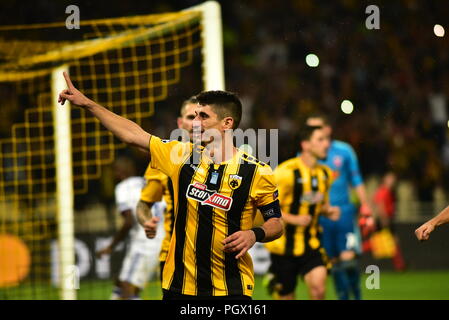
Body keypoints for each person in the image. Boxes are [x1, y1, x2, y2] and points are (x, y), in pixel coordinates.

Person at [58, 72, 283, 300]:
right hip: (178, 285)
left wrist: (255, 234)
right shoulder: (180, 156)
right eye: (194, 116)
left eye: (203, 116)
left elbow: (276, 222)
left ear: (227, 123)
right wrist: (87, 104)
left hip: (232, 287)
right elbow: (132, 135)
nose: (195, 123)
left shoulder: (257, 171)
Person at [264, 124, 340, 300]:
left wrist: (328, 211)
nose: (326, 144)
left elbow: (316, 204)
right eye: (320, 140)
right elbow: (267, 209)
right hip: (283, 247)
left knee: (319, 288)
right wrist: (293, 219)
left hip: (311, 243)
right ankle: (274, 279)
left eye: (327, 139)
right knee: (287, 297)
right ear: (305, 145)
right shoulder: (285, 172)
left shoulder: (325, 174)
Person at [306, 114, 374, 300]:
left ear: (327, 129)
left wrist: (365, 206)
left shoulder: (344, 151)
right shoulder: (304, 155)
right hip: (321, 219)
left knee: (348, 261)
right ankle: (343, 297)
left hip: (344, 214)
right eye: (309, 129)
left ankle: (357, 295)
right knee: (333, 263)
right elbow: (303, 190)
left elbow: (356, 179)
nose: (311, 133)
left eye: (316, 128)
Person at [136, 97, 197, 283]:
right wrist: (147, 221)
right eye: (190, 116)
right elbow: (143, 204)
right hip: (174, 258)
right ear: (180, 123)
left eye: (202, 116)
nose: (196, 122)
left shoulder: (229, 159)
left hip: (219, 259)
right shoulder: (164, 160)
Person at [96, 156, 165, 300]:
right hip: (161, 240)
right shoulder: (147, 183)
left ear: (118, 172)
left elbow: (128, 221)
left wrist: (111, 246)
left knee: (128, 289)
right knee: (121, 285)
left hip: (144, 243)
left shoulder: (123, 187)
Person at [372, 171, 406, 271]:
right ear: (384, 179)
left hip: (385, 219)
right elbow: (380, 204)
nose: (392, 181)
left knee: (388, 242)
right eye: (390, 178)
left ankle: (399, 265)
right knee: (390, 242)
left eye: (393, 179)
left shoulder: (385, 191)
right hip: (384, 220)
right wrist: (384, 218)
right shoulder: (384, 191)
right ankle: (399, 265)